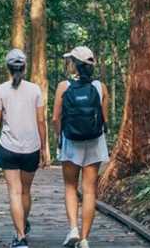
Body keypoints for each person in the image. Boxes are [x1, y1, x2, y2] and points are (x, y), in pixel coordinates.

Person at [0, 48, 48, 248]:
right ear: (25, 67)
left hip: (8, 147)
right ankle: (22, 225)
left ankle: (20, 237)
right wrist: (44, 148)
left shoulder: (0, 90)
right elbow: (41, 121)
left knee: (14, 192)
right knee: (25, 192)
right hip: (31, 148)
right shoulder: (35, 89)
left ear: (8, 68)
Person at [52, 46, 110, 248]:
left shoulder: (63, 86)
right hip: (94, 143)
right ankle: (84, 239)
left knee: (70, 186)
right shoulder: (100, 87)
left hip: (71, 142)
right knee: (89, 190)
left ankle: (73, 230)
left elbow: (55, 118)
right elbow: (105, 118)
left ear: (75, 64)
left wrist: (59, 136)